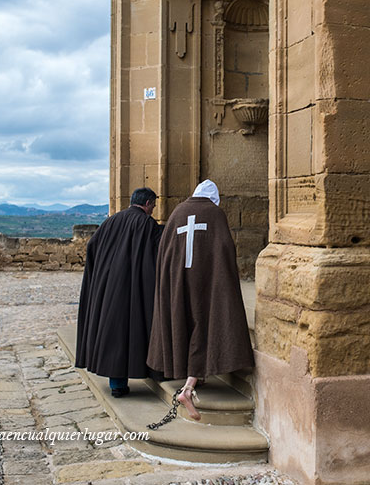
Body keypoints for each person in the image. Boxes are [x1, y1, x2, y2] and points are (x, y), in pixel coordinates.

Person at [147, 180, 254, 421]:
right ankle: (188, 389)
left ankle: (193, 377)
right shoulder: (214, 214)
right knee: (204, 326)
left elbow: (166, 250)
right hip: (206, 282)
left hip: (178, 281)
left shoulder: (178, 212)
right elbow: (224, 249)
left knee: (187, 324)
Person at [75, 187, 163, 397]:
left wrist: (101, 275)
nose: (152, 210)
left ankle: (117, 385)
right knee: (128, 331)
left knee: (113, 333)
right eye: (153, 206)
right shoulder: (146, 224)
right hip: (133, 287)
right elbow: (157, 253)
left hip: (107, 288)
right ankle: (146, 373)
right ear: (148, 203)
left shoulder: (110, 221)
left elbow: (92, 247)